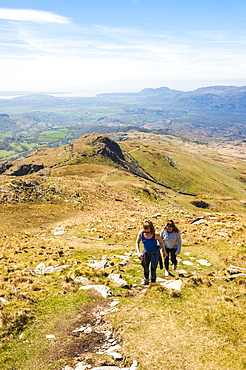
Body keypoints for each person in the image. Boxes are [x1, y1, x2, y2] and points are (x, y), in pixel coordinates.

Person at [136, 220, 167, 285]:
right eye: (145, 231)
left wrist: (164, 252)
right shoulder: (141, 233)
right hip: (146, 252)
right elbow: (137, 242)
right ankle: (146, 279)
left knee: (153, 268)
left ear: (151, 229)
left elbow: (161, 243)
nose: (146, 233)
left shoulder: (156, 235)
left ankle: (153, 282)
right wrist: (138, 253)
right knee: (145, 267)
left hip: (154, 253)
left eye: (148, 232)